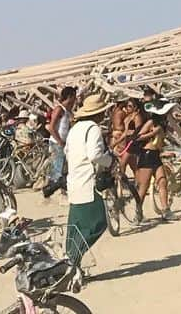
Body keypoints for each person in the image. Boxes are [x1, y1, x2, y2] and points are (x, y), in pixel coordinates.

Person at [63, 92, 112, 272]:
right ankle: (72, 262)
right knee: (98, 222)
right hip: (87, 182)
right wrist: (109, 161)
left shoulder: (75, 129)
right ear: (98, 114)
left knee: (76, 227)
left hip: (74, 181)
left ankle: (72, 264)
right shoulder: (93, 128)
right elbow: (95, 154)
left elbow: (67, 152)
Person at [134, 100, 171, 218]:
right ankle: (138, 214)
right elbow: (138, 137)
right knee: (143, 188)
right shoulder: (151, 123)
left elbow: (161, 140)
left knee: (162, 181)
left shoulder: (163, 124)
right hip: (147, 154)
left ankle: (165, 209)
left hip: (155, 155)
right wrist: (153, 133)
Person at [42, 85, 76, 199]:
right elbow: (51, 128)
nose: (75, 100)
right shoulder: (59, 109)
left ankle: (57, 192)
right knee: (58, 170)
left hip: (63, 143)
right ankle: (52, 193)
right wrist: (60, 141)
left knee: (62, 168)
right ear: (70, 96)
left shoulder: (67, 110)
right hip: (57, 143)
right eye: (74, 97)